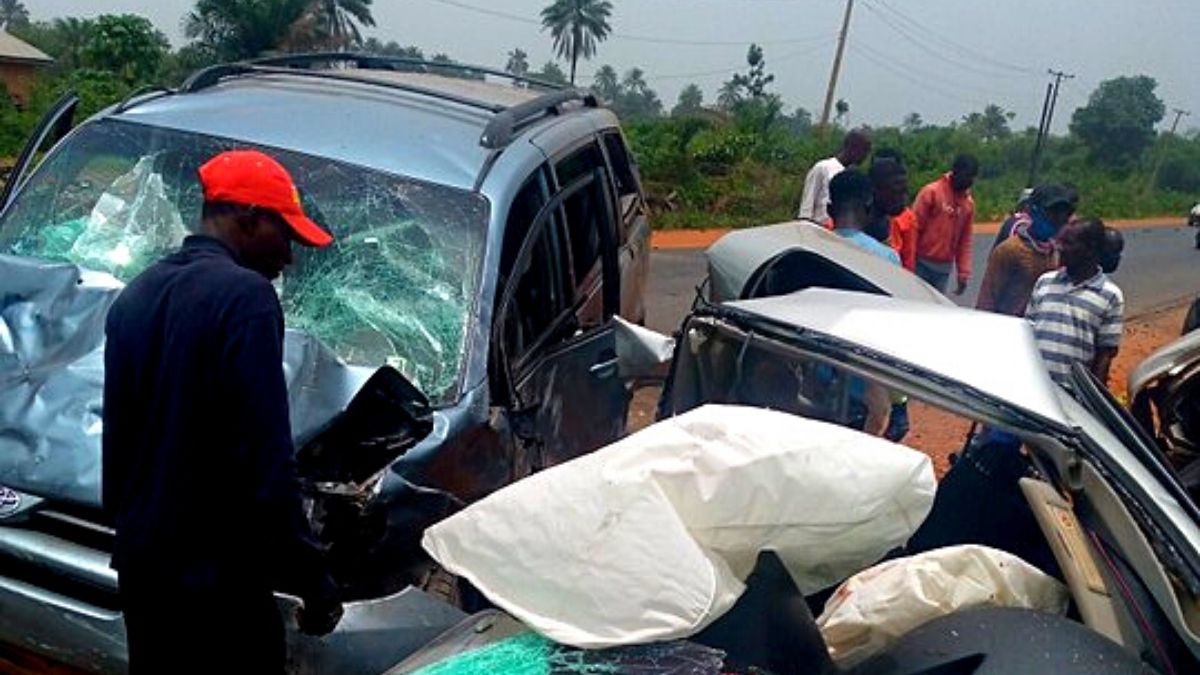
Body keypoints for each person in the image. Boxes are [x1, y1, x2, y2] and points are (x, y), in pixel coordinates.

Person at [103, 149, 343, 674]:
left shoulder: (136, 294)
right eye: (286, 234)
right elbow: (265, 460)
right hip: (216, 582)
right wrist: (313, 578)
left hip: (144, 572)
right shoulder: (247, 298)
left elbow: (116, 453)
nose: (291, 256)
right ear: (247, 218)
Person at [1026, 219, 1125, 387]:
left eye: (1068, 243)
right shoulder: (1045, 282)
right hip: (1033, 385)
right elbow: (1027, 331)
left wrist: (1093, 400)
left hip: (1072, 393)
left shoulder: (1110, 296)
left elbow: (1104, 356)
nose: (1059, 247)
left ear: (1090, 249)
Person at [976, 184, 1074, 317]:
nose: (1057, 219)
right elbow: (987, 297)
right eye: (1051, 213)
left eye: (1062, 215)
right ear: (1032, 211)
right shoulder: (1010, 250)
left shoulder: (1056, 253)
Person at [913, 154, 979, 294]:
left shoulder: (968, 205)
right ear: (955, 172)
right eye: (966, 176)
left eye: (972, 177)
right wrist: (909, 262)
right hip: (920, 264)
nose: (969, 181)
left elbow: (964, 241)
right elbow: (914, 228)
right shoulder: (931, 192)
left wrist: (963, 273)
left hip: (943, 269)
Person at [797, 128, 872, 223]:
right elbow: (806, 209)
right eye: (865, 150)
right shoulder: (823, 168)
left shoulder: (854, 178)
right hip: (817, 231)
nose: (866, 156)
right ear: (853, 146)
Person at [866, 156, 917, 272]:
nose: (904, 200)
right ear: (876, 189)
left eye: (905, 192)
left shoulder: (887, 221)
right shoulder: (860, 225)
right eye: (897, 192)